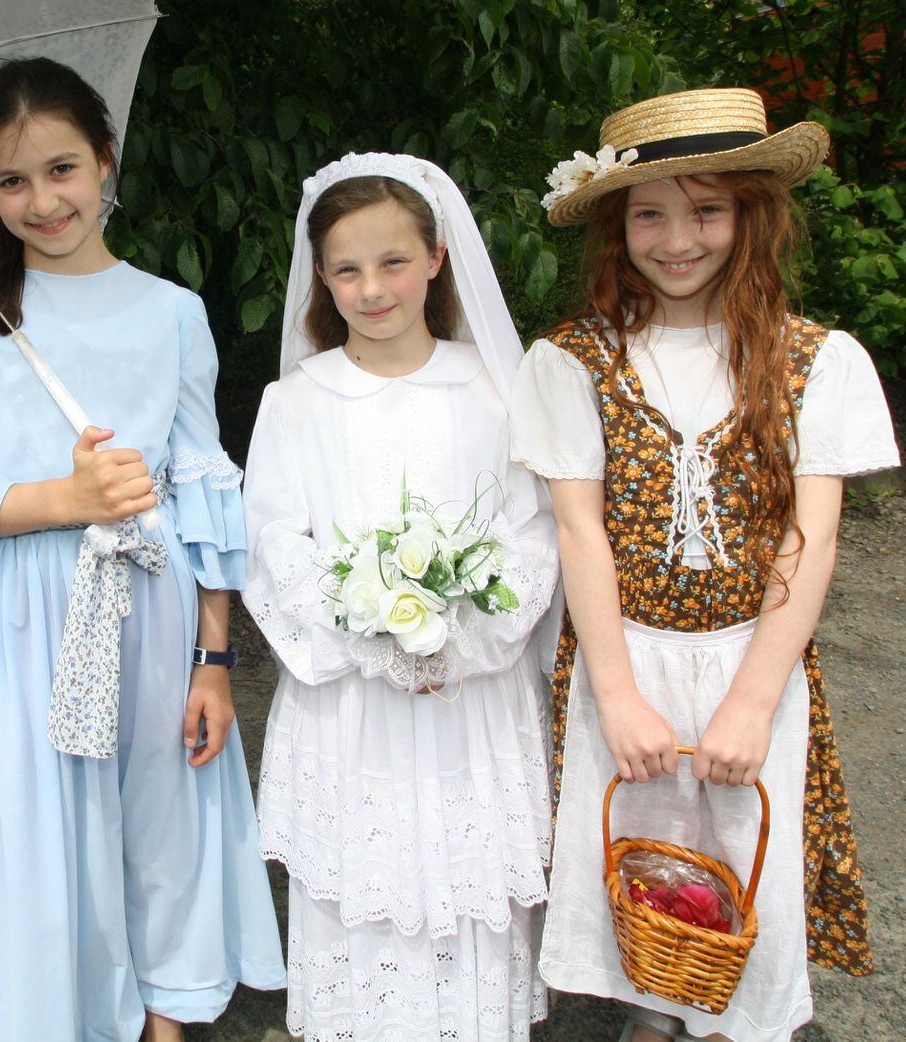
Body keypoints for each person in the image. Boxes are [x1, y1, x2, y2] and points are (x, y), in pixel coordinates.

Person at [0, 57, 285, 1042]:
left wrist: (214, 658)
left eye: (62, 168)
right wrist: (61, 496)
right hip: (24, 616)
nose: (43, 200)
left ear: (106, 161)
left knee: (163, 815)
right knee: (44, 839)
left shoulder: (172, 313)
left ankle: (167, 1010)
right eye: (11, 181)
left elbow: (203, 487)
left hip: (153, 600)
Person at [512, 88, 900, 1042]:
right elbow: (579, 535)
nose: (677, 238)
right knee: (641, 864)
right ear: (616, 224)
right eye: (650, 212)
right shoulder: (573, 361)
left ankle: (726, 1021)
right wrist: (618, 696)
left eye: (707, 209)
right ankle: (658, 1012)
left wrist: (754, 700)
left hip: (751, 658)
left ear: (751, 216)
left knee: (742, 861)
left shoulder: (815, 358)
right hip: (624, 657)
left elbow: (809, 537)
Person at [242, 152, 560, 1041]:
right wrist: (374, 636)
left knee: (467, 889)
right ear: (321, 278)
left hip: (471, 699)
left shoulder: (496, 390)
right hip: (353, 702)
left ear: (436, 257)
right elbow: (274, 542)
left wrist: (458, 638)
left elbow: (533, 535)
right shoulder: (297, 400)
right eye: (346, 269)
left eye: (392, 262)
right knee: (365, 890)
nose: (371, 288)